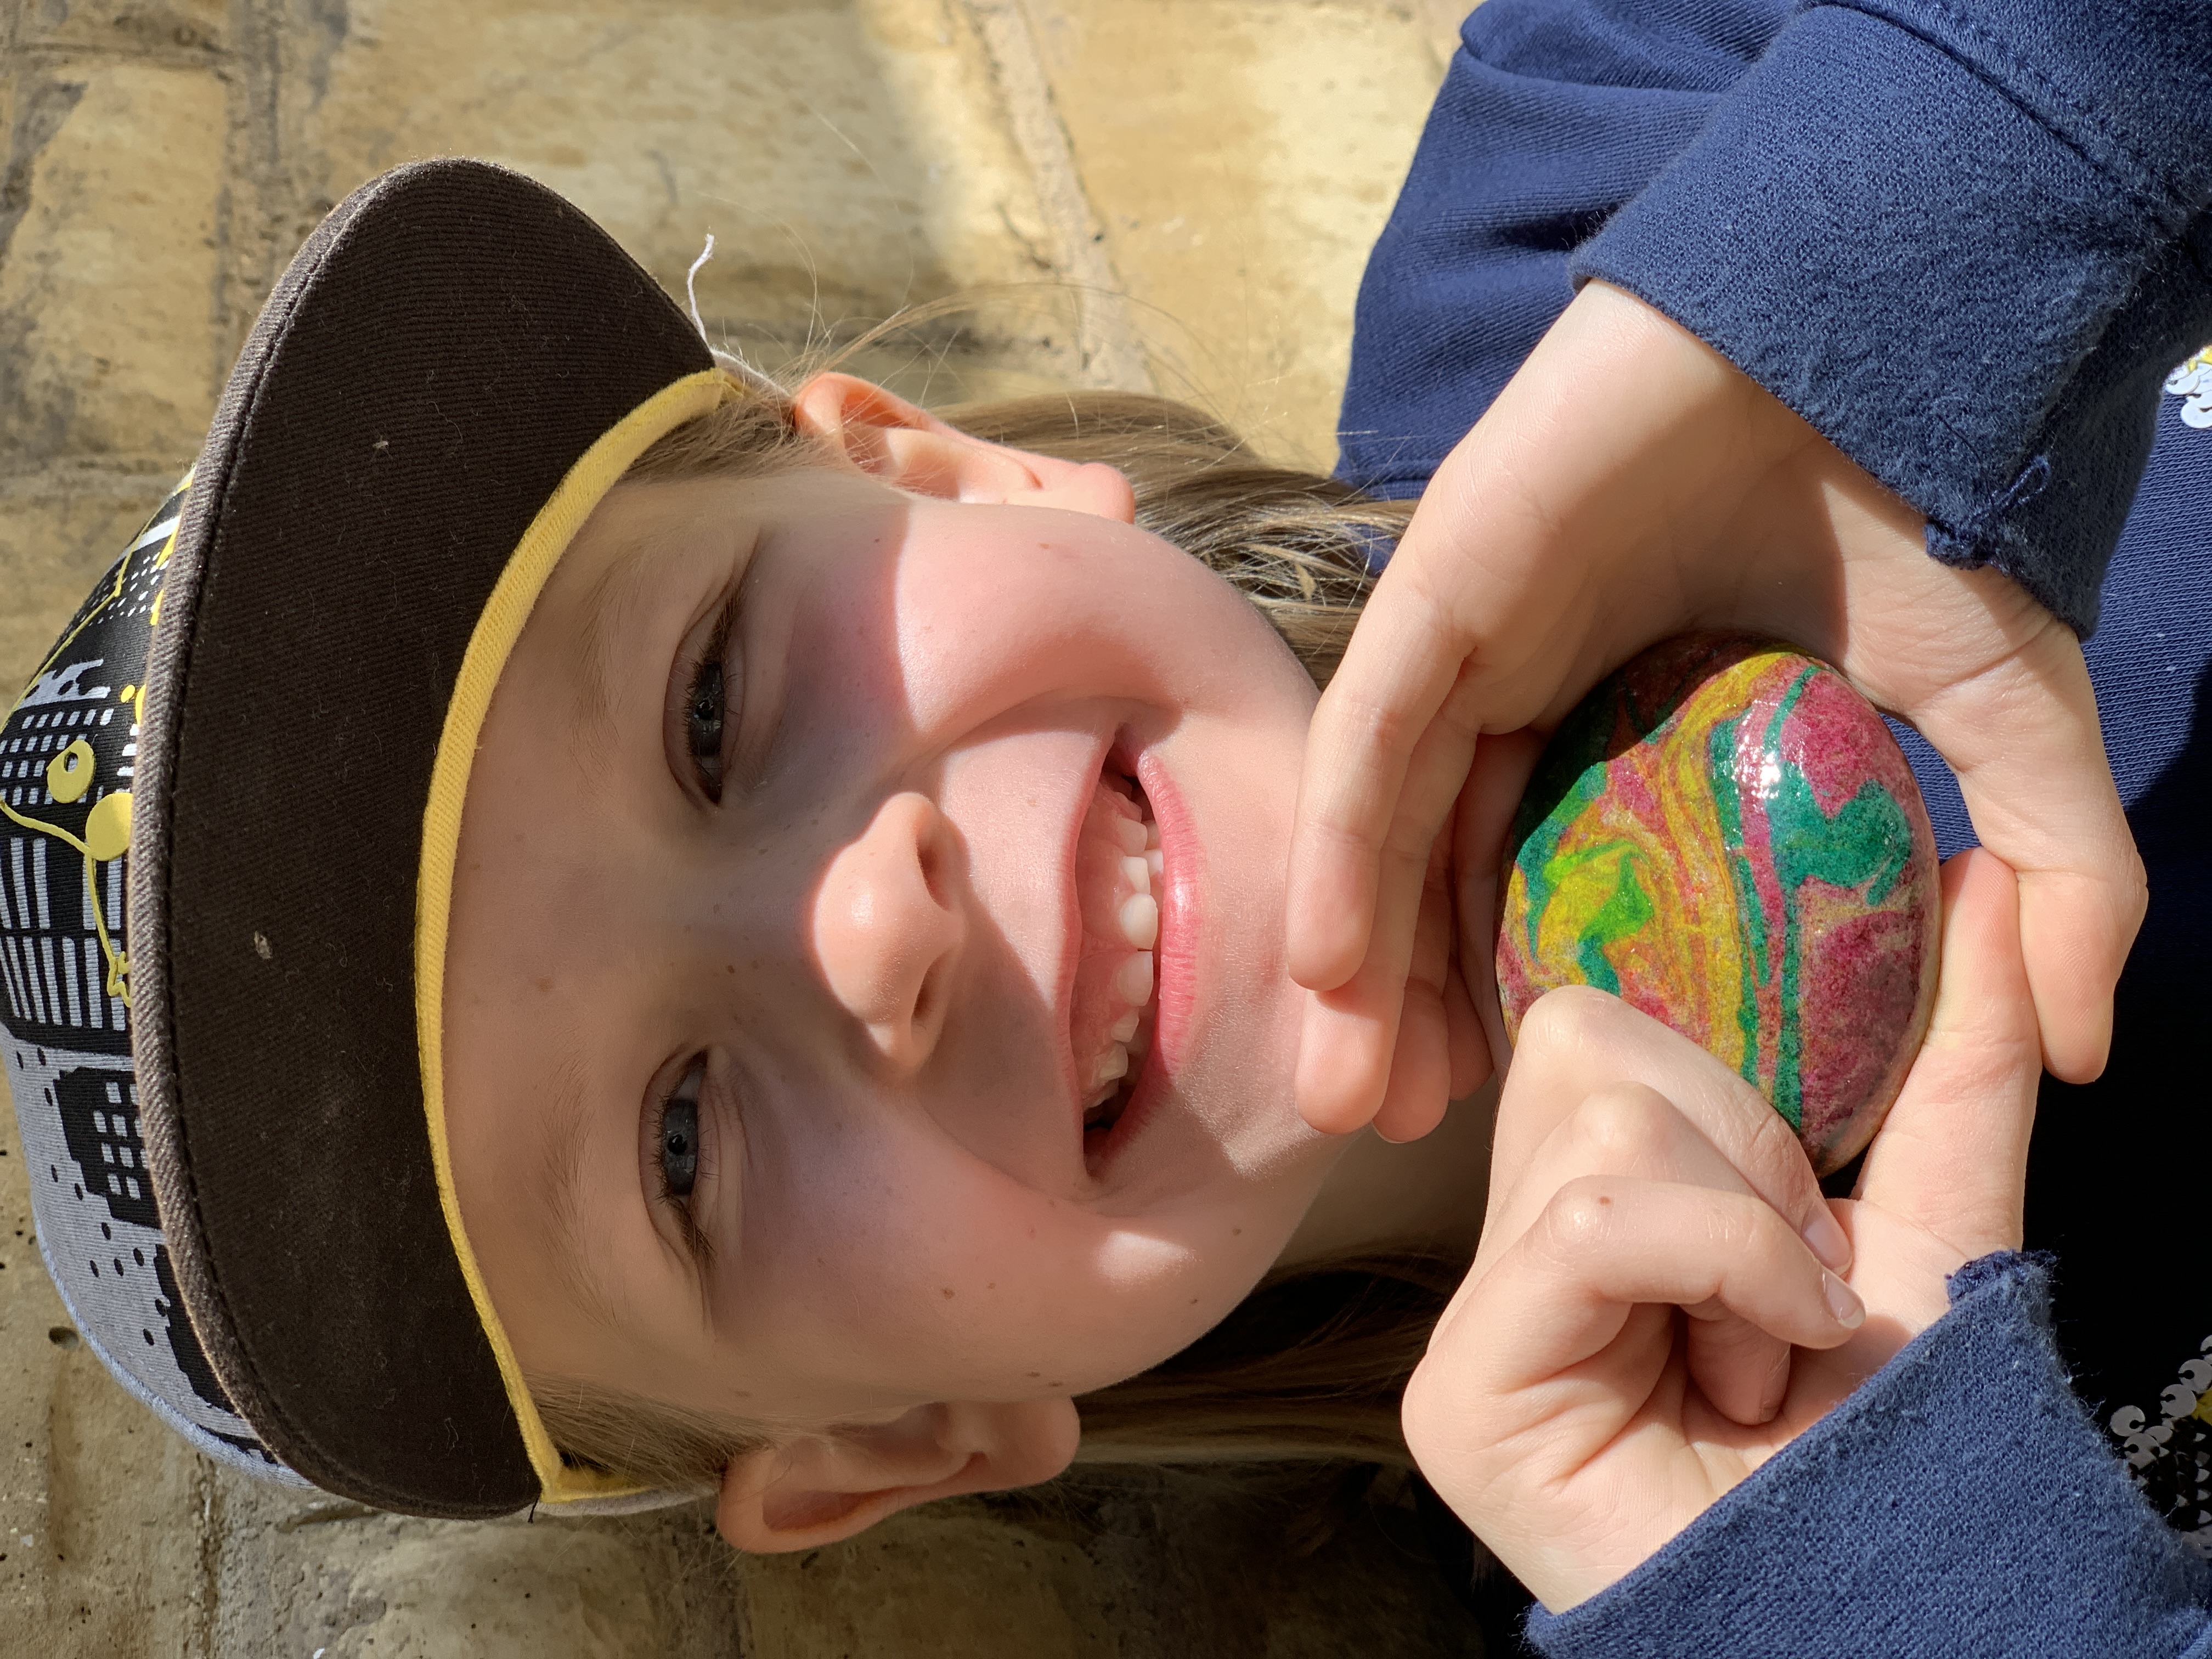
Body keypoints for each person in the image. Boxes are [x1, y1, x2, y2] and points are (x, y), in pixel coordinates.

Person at [1294, 0, 2212, 1649]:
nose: (883, 930)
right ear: (897, 1444)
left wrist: (1944, 198)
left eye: (715, 711)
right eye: (686, 1140)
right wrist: (1880, 1584)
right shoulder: (1685, 1530)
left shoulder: (1564, 197)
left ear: (916, 461)